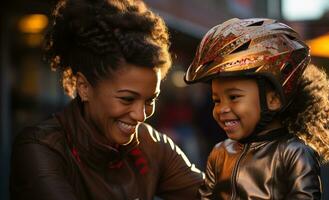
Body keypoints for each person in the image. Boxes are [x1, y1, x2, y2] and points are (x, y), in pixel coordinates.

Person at [10, 0, 204, 199]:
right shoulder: (41, 148)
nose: (140, 116)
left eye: (149, 100)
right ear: (84, 87)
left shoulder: (151, 144)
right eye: (127, 99)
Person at [184, 18, 329, 199]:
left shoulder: (294, 154)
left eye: (233, 97)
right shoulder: (219, 153)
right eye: (216, 100)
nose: (222, 108)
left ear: (273, 99)